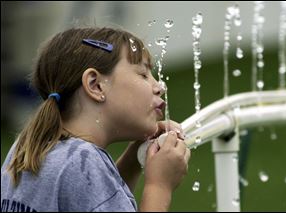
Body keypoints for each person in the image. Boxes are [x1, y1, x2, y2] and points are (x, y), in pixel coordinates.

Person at [1, 27, 191, 212]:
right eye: (143, 74)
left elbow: (92, 200)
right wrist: (159, 187)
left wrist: (134, 158)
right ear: (96, 85)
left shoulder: (28, 148)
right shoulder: (83, 162)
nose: (159, 87)